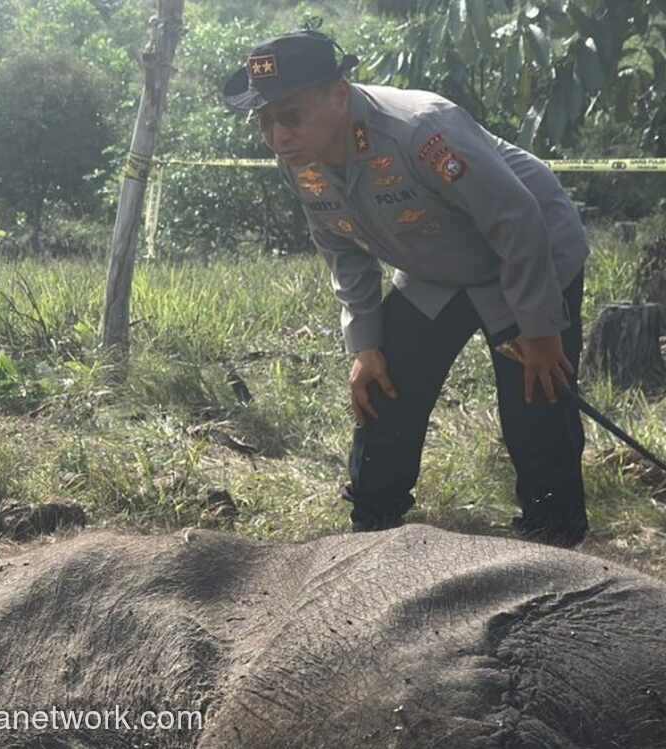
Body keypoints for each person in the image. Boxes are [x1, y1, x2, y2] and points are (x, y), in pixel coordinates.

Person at [222, 30, 590, 547]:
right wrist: (365, 343)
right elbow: (342, 248)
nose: (277, 136)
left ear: (339, 94)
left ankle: (555, 534)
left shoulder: (420, 129)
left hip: (527, 256)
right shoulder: (301, 158)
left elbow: (516, 218)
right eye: (264, 122)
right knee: (382, 383)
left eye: (289, 115)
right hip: (435, 266)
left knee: (536, 394)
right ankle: (372, 524)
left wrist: (540, 328)